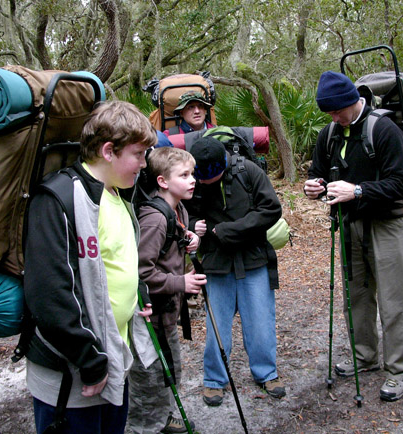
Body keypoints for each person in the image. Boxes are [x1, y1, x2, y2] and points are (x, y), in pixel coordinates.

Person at [23, 100, 158, 434]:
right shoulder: (58, 198)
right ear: (109, 150)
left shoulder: (118, 195)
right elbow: (50, 293)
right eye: (139, 155)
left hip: (112, 362)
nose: (144, 164)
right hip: (75, 378)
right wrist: (92, 362)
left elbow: (121, 259)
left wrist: (137, 295)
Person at [304, 71, 403, 402]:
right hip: (350, 224)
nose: (334, 118)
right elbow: (317, 173)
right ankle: (364, 356)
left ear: (354, 101)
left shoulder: (384, 129)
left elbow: (400, 184)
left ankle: (398, 370)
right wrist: (314, 187)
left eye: (338, 111)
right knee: (357, 297)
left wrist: (359, 190)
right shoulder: (330, 134)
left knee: (393, 301)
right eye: (329, 113)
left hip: (387, 225)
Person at [185, 136, 285, 406]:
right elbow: (184, 212)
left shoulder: (247, 171)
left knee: (260, 320)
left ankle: (267, 373)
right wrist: (195, 226)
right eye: (200, 179)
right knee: (216, 324)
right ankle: (215, 380)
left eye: (209, 178)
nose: (204, 184)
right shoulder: (194, 181)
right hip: (216, 262)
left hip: (253, 257)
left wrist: (229, 230)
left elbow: (271, 209)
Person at [128, 147, 206, 433]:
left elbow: (170, 246)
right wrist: (180, 282)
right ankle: (145, 426)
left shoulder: (177, 208)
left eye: (192, 173)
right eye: (184, 175)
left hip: (168, 312)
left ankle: (163, 417)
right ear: (162, 181)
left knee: (169, 370)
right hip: (150, 316)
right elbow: (139, 272)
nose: (192, 180)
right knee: (149, 376)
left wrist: (189, 238)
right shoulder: (155, 218)